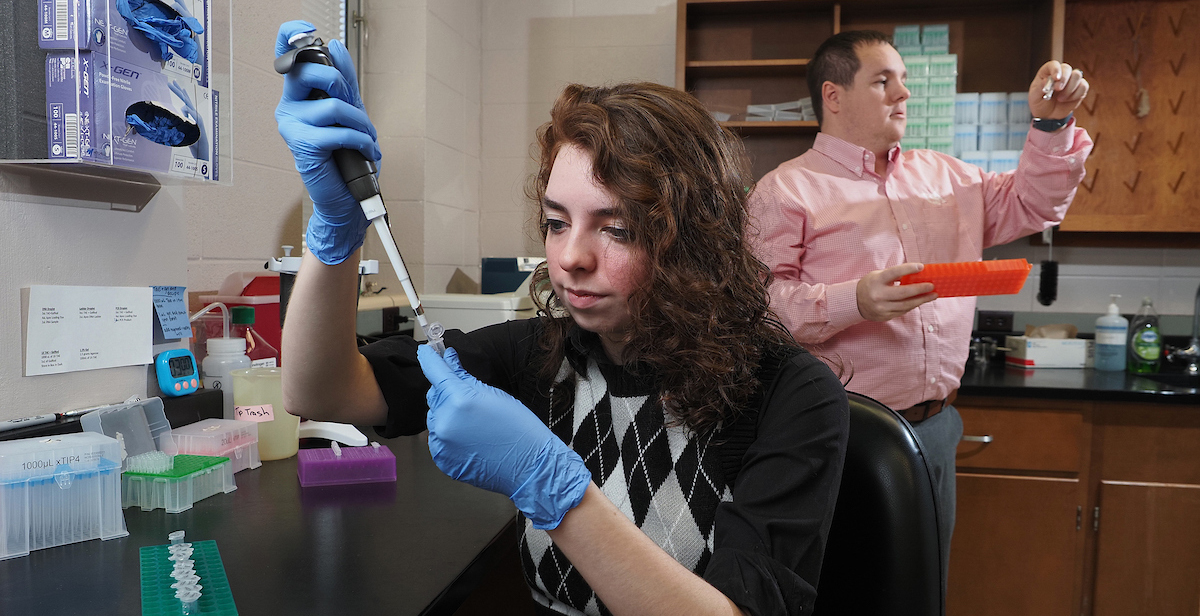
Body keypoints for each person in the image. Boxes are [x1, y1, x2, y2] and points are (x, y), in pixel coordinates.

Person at [273, 20, 848, 616]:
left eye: (617, 228)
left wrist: (552, 488)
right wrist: (335, 231)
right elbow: (322, 391)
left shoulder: (789, 394)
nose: (571, 257)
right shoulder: (544, 354)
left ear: (694, 240)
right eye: (555, 223)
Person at [747, 29, 1093, 591]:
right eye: (883, 81)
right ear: (833, 96)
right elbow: (756, 310)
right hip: (833, 433)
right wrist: (853, 300)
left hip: (934, 428)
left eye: (904, 81)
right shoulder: (785, 191)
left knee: (917, 587)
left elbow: (1035, 204)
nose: (903, 94)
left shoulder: (950, 178)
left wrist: (1051, 126)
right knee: (833, 589)